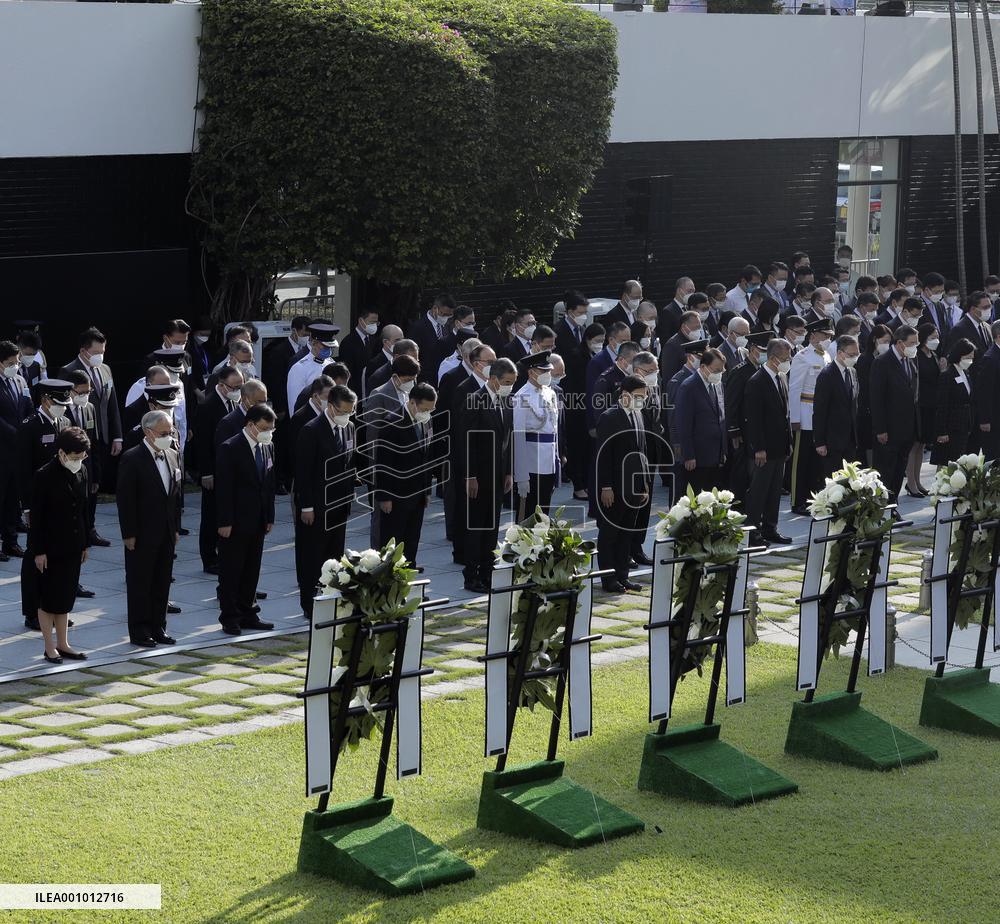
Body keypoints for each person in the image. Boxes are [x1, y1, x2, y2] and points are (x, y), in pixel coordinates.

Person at [116, 410, 182, 648]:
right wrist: (129, 533)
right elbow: (126, 499)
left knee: (162, 581)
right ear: (148, 432)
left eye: (171, 432)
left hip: (165, 530)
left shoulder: (173, 455)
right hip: (142, 533)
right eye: (164, 433)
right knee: (140, 583)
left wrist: (176, 528)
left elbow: (175, 497)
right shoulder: (132, 458)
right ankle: (140, 630)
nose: (168, 436)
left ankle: (158, 627)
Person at [295, 384, 358, 619]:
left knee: (334, 558)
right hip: (317, 507)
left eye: (350, 411)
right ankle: (310, 605)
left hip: (339, 506)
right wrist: (307, 506)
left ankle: (332, 599)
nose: (347, 416)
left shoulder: (349, 427)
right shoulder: (311, 430)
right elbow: (303, 472)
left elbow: (349, 463)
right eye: (343, 411)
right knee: (312, 558)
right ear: (330, 407)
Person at [29, 427, 91, 664]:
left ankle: (63, 643)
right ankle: (49, 646)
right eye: (74, 457)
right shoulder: (44, 475)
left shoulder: (82, 470)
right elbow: (37, 517)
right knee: (48, 599)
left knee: (65, 598)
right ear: (62, 453)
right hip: (50, 547)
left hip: (73, 545)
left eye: (81, 457)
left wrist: (84, 543)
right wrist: (39, 550)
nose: (78, 461)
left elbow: (83, 511)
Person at [215, 404, 277, 635]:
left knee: (252, 570)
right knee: (232, 571)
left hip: (258, 520)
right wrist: (224, 522)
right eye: (264, 428)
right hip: (235, 522)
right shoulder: (230, 448)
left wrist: (269, 516)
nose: (268, 432)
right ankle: (230, 616)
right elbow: (224, 489)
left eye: (271, 428)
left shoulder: (267, 447)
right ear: (250, 425)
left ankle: (248, 612)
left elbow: (269, 484)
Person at [17, 380, 73, 630]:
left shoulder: (64, 423)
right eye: (58, 403)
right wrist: (27, 507)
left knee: (58, 558)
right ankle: (32, 611)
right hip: (38, 503)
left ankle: (56, 609)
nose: (63, 408)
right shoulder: (30, 426)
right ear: (46, 400)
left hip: (60, 502)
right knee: (34, 557)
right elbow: (22, 470)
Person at [461, 358, 515, 593]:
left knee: (491, 528)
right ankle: (471, 576)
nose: (510, 386)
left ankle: (487, 572)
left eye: (513, 382)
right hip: (479, 476)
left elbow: (508, 438)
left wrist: (509, 471)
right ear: (493, 379)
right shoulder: (474, 400)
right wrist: (470, 475)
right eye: (506, 382)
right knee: (476, 528)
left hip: (498, 474)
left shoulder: (506, 402)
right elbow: (467, 441)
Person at [58, 327, 122, 518]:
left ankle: (91, 526)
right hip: (78, 438)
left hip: (100, 436)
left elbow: (112, 404)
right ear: (84, 351)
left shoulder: (105, 369)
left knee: (95, 481)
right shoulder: (68, 371)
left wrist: (117, 435)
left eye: (102, 352)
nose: (100, 356)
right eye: (96, 353)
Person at [595, 375, 650, 592]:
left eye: (644, 397)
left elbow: (641, 451)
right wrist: (605, 487)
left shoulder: (638, 415)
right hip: (615, 487)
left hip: (634, 486)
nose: (642, 400)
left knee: (627, 532)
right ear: (625, 395)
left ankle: (623, 575)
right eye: (638, 396)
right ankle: (608, 578)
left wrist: (644, 482)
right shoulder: (609, 417)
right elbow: (603, 454)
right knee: (610, 533)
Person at [375, 382, 436, 563]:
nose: (428, 413)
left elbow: (427, 457)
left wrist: (427, 491)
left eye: (431, 409)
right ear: (412, 403)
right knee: (394, 538)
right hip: (396, 494)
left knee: (412, 535)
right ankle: (391, 571)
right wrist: (384, 496)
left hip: (417, 493)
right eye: (425, 408)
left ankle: (409, 565)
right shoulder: (391, 423)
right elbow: (383, 463)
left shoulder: (426, 420)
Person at [744, 338, 793, 546]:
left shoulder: (780, 377)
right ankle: (753, 532)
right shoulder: (757, 381)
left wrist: (788, 442)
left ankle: (770, 528)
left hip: (779, 446)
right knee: (759, 492)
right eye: (785, 358)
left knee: (774, 492)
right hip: (765, 449)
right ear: (773, 358)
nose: (787, 361)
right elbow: (753, 419)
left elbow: (785, 413)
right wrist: (759, 448)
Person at [196, 365, 244, 575]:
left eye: (240, 386)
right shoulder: (207, 405)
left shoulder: (235, 402)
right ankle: (209, 558)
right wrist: (206, 472)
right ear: (222, 386)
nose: (238, 390)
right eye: (234, 386)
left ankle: (221, 553)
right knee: (210, 515)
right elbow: (203, 443)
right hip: (213, 469)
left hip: (229, 469)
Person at [869, 324, 920, 507]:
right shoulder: (882, 362)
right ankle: (880, 507)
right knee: (886, 471)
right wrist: (880, 429)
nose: (916, 346)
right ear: (900, 343)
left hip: (907, 429)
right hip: (889, 430)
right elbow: (877, 399)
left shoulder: (909, 360)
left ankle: (893, 504)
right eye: (912, 343)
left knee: (899, 470)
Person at [788, 318, 833, 514]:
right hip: (806, 411)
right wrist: (795, 418)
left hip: (822, 414)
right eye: (825, 336)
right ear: (813, 335)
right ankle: (798, 501)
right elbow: (795, 387)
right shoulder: (802, 356)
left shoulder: (826, 357)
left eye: (830, 336)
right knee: (801, 460)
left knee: (817, 461)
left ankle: (814, 497)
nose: (828, 339)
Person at [725, 330, 772, 507]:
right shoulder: (740, 372)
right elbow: (732, 404)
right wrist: (734, 431)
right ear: (752, 349)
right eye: (762, 350)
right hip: (743, 432)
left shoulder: (761, 370)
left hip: (757, 431)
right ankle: (739, 506)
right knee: (741, 473)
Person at [512, 351, 560, 519]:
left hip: (548, 462)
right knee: (528, 513)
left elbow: (554, 430)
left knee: (544, 513)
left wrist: (557, 460)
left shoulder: (550, 393)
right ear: (531, 372)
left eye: (548, 371)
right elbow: (518, 437)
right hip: (531, 462)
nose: (547, 374)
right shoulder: (522, 396)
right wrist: (521, 474)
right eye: (543, 371)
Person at [674, 347, 727, 492]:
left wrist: (723, 450)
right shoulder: (688, 387)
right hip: (697, 457)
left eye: (722, 371)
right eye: (716, 370)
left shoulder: (718, 385)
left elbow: (721, 416)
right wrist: (689, 455)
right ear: (703, 367)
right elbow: (683, 425)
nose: (719, 374)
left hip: (716, 455)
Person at [812, 334, 860, 479]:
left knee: (850, 482)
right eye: (851, 354)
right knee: (834, 484)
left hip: (850, 439)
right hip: (832, 441)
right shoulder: (827, 375)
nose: (855, 358)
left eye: (857, 354)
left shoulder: (852, 371)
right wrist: (819, 442)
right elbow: (819, 410)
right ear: (840, 353)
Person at [0, 341, 31, 561]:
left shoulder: (21, 380)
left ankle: (11, 542)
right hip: (2, 448)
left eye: (17, 361)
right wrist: (14, 432)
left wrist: (27, 429)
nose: (16, 366)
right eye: (11, 363)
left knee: (13, 499)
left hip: (18, 452)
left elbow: (28, 407)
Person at [931, 339, 977, 466]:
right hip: (951, 427)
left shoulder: (966, 373)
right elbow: (942, 404)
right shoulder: (947, 375)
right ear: (959, 355)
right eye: (967, 357)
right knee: (947, 464)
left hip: (964, 425)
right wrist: (942, 431)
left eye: (972, 358)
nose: (970, 361)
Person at [907, 323, 941, 497]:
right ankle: (910, 483)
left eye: (937, 337)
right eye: (932, 337)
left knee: (921, 446)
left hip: (931, 406)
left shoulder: (933, 355)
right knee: (914, 445)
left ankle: (918, 481)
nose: (935, 340)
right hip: (919, 405)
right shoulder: (917, 356)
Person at [261, 315, 310, 418]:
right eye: (304, 334)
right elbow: (275, 381)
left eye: (309, 335)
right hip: (284, 403)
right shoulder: (279, 351)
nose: (307, 338)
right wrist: (279, 407)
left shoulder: (308, 350)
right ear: (294, 331)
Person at [285, 323, 340, 413]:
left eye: (330, 347)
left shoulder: (332, 364)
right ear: (314, 343)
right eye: (325, 346)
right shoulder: (299, 368)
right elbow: (294, 406)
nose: (328, 349)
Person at [338, 308, 379, 394]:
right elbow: (347, 372)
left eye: (376, 323)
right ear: (361, 321)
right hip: (355, 391)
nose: (374, 325)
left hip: (370, 389)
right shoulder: (348, 342)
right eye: (372, 322)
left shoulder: (373, 340)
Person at [407, 294, 456, 362]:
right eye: (444, 314)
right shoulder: (418, 327)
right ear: (435, 308)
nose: (446, 318)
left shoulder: (448, 325)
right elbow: (412, 354)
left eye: (449, 315)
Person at [660, 310, 704, 382]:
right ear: (684, 326)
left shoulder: (697, 341)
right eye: (695, 328)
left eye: (699, 328)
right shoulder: (672, 345)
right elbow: (669, 376)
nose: (698, 331)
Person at [978, 320, 1000, 461]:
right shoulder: (990, 358)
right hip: (994, 418)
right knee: (994, 459)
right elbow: (984, 392)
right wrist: (985, 419)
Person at [362, 324, 402, 398]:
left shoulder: (404, 360)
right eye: (397, 341)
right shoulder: (374, 364)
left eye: (402, 340)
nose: (401, 344)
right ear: (386, 342)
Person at [656, 277, 695, 345]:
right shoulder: (667, 311)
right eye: (689, 291)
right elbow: (665, 339)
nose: (692, 294)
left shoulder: (690, 309)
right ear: (679, 290)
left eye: (693, 291)